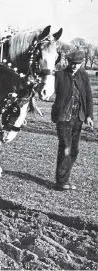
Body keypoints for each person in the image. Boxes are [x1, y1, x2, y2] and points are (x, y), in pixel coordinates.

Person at [51, 50, 94, 191]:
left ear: (81, 63)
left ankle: (65, 179)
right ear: (68, 62)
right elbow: (48, 90)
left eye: (77, 64)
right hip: (63, 118)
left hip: (78, 118)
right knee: (66, 149)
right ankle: (61, 182)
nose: (74, 66)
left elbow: (88, 96)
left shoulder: (84, 75)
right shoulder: (59, 75)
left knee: (74, 150)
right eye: (72, 63)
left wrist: (89, 116)